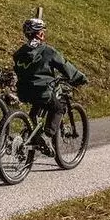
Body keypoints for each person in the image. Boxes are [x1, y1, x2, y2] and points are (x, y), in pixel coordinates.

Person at [12, 18, 87, 156]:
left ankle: (32, 134)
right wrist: (80, 78)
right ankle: (47, 136)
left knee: (36, 109)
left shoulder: (20, 52)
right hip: (42, 90)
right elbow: (65, 65)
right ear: (40, 34)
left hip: (23, 91)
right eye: (43, 32)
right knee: (59, 108)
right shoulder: (48, 51)